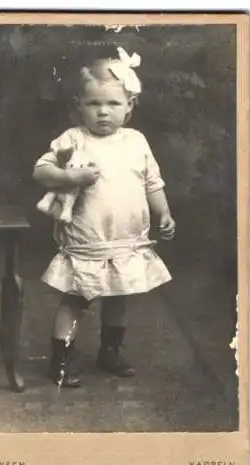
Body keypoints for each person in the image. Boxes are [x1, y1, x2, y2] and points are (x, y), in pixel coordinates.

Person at [33, 47, 176, 389]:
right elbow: (40, 171)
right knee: (77, 299)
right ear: (78, 106)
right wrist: (71, 178)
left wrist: (164, 212)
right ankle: (61, 359)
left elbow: (152, 182)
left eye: (112, 104)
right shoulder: (73, 139)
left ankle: (109, 352)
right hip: (88, 240)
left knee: (117, 296)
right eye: (93, 104)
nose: (102, 112)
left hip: (126, 239)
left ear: (129, 107)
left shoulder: (136, 141)